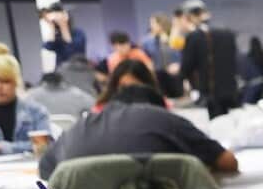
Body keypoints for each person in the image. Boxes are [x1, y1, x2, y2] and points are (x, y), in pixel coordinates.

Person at [40, 76, 236, 180]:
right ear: (155, 106)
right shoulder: (162, 118)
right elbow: (228, 162)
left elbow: (46, 172)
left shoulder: (75, 130)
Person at [178, 0, 239, 118]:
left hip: (211, 95)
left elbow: (187, 67)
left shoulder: (195, 36)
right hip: (231, 92)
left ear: (190, 17)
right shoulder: (227, 33)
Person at [0, 44, 51, 155]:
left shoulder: (36, 112)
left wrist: (0, 147)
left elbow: (45, 147)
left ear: (16, 82)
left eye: (4, 80)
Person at [92, 59, 166, 113]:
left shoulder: (160, 108)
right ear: (115, 86)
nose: (129, 92)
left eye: (135, 87)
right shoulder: (101, 111)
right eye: (124, 87)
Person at [23, 71, 95, 119]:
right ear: (62, 82)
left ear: (43, 82)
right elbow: (95, 106)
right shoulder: (78, 95)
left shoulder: (31, 95)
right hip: (71, 137)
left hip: (43, 138)